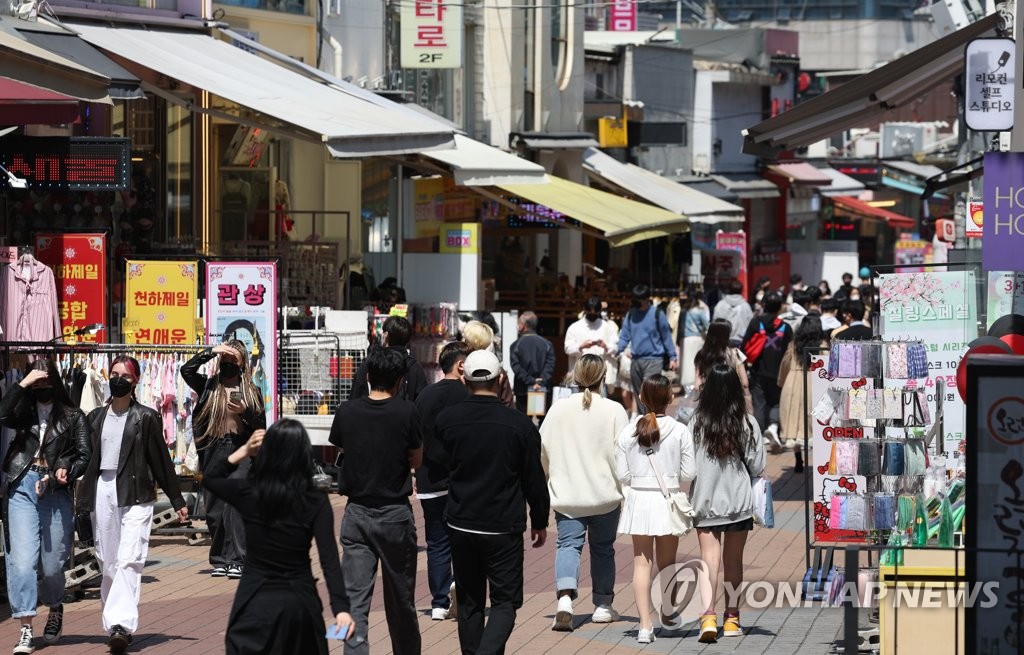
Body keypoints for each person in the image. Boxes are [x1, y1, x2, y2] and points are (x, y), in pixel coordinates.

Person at [429, 350, 549, 655]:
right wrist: (539, 519)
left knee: (469, 601)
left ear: (465, 380)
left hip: (460, 521)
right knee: (505, 602)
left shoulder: (447, 420)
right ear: (500, 379)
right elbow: (533, 478)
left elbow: (437, 464)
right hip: (503, 525)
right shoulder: (520, 425)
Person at [202, 419, 355, 654]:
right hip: (299, 600)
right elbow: (329, 560)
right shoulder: (315, 499)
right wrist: (341, 608)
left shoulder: (250, 491)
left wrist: (243, 451)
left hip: (254, 598)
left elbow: (211, 478)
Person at [77, 355, 188, 653]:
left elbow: (161, 462)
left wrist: (176, 499)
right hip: (104, 489)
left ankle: (120, 626)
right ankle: (114, 622)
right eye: (113, 374)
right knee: (108, 559)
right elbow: (86, 460)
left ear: (136, 380)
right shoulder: (96, 417)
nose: (118, 380)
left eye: (124, 376)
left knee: (130, 557)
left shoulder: (146, 417)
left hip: (137, 492)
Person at [328, 348, 422, 655]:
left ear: (368, 377)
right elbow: (417, 460)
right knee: (401, 602)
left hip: (355, 512)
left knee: (354, 600)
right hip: (394, 514)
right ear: (400, 381)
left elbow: (339, 447)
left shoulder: (347, 411)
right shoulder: (408, 412)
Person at [0, 359, 91, 654]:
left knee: (52, 565)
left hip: (54, 489)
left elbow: (84, 454)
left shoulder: (73, 416)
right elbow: (2, 414)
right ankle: (26, 627)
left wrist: (65, 471)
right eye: (36, 382)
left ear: (55, 381)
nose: (41, 387)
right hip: (22, 486)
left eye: (45, 381)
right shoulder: (23, 412)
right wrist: (23, 384)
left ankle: (54, 605)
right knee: (22, 562)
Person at [539, 355, 629, 632]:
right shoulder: (615, 410)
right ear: (604, 378)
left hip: (568, 494)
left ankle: (565, 599)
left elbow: (542, 449)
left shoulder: (558, 409)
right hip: (604, 494)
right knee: (603, 549)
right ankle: (602, 605)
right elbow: (623, 454)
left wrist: (548, 477)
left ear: (574, 377)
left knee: (568, 546)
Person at [615, 374, 696, 644]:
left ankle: (644, 625)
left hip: (639, 499)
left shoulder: (628, 431)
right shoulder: (681, 430)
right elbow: (689, 472)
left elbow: (622, 474)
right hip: (667, 499)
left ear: (641, 397)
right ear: (670, 398)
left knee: (641, 563)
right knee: (667, 562)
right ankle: (669, 613)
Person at [689, 363, 765, 643]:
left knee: (709, 560)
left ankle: (707, 617)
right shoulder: (746, 422)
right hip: (738, 501)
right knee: (734, 561)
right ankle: (732, 619)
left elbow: (688, 467)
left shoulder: (696, 422)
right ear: (735, 388)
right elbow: (757, 465)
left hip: (706, 500)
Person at [181, 341, 266, 580]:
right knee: (215, 507)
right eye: (225, 360)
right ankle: (220, 558)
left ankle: (238, 558)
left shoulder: (250, 391)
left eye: (234, 360)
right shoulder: (208, 386)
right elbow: (186, 371)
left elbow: (261, 424)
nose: (228, 364)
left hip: (241, 448)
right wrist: (211, 352)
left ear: (242, 364)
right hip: (214, 448)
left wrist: (244, 412)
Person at [414, 341, 472, 621]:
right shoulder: (469, 396)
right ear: (461, 365)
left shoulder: (425, 396)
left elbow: (415, 438)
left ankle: (439, 603)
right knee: (464, 541)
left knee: (436, 542)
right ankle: (462, 592)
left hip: (429, 480)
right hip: (464, 482)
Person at [740, 292, 792, 450]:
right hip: (779, 373)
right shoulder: (785, 327)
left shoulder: (756, 323)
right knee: (776, 402)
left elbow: (743, 347)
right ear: (780, 307)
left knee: (759, 403)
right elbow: (790, 352)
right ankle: (773, 428)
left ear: (763, 305)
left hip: (758, 371)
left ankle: (760, 436)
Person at [778, 316, 828, 472]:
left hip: (793, 383)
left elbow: (785, 363)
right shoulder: (823, 345)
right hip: (814, 384)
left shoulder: (793, 345)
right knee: (813, 421)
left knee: (794, 420)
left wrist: (781, 381)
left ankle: (798, 460)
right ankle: (819, 460)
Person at [617, 285, 678, 414]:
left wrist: (673, 357)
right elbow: (624, 335)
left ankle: (652, 420)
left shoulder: (657, 314)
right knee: (638, 395)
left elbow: (666, 336)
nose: (634, 302)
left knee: (649, 393)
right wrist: (618, 350)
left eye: (638, 299)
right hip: (636, 360)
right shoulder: (631, 314)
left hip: (654, 360)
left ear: (646, 299)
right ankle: (643, 421)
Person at [351, 316, 429, 402]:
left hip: (370, 413)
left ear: (386, 336)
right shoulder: (414, 367)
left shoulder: (371, 363)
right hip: (404, 414)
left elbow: (356, 395)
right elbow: (422, 401)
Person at [693, 320, 752, 414]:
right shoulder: (735, 354)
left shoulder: (702, 355)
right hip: (732, 401)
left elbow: (697, 385)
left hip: (709, 402)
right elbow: (745, 383)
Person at [563, 296, 619, 393]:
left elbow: (615, 347)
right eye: (590, 312)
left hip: (600, 375)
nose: (592, 314)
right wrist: (581, 347)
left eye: (595, 312)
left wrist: (606, 347)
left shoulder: (607, 327)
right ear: (585, 310)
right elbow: (567, 348)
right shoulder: (575, 327)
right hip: (579, 375)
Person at [462, 320, 515, 408]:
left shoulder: (460, 367)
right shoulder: (496, 369)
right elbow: (508, 404)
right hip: (495, 416)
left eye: (465, 339)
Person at [509, 311, 556, 413]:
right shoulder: (547, 344)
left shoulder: (516, 345)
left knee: (523, 421)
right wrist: (540, 381)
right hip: (542, 389)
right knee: (541, 422)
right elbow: (550, 364)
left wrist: (530, 381)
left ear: (523, 325)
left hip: (522, 390)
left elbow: (516, 366)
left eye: (519, 323)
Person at [680, 290, 710, 388]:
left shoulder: (683, 311)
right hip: (697, 339)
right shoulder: (699, 311)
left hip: (685, 339)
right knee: (696, 362)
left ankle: (687, 386)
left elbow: (680, 326)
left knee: (686, 363)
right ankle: (696, 383)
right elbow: (707, 326)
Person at [712, 279, 753, 347]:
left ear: (729, 290)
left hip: (722, 341)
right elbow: (750, 324)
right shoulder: (746, 306)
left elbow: (715, 322)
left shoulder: (720, 305)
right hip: (740, 341)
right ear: (741, 290)